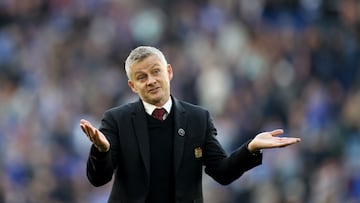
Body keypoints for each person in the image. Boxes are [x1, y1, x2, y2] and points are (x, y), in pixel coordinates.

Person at [79, 46, 301, 203]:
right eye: (142, 77)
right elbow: (98, 179)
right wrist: (102, 150)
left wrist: (251, 148)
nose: (151, 80)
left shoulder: (198, 118)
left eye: (156, 72)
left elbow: (222, 172)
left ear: (169, 72)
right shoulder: (116, 119)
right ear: (133, 86)